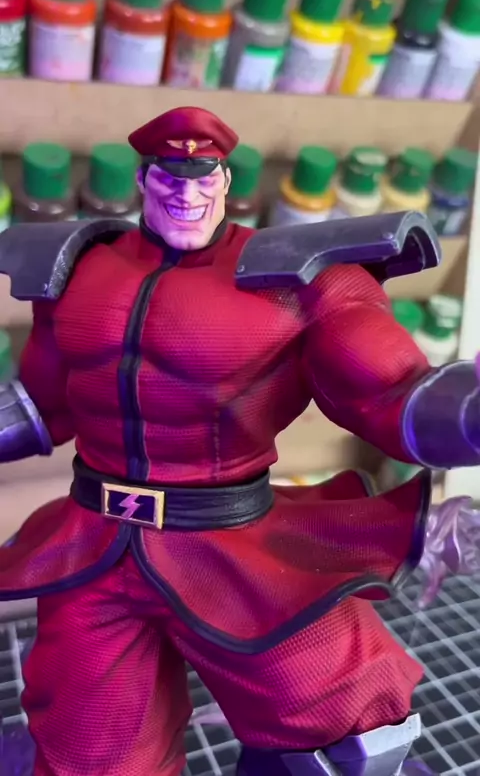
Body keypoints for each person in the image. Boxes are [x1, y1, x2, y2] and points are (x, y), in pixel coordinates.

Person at [0, 106, 479, 776]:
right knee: (87, 754)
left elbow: (393, 393)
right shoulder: (77, 269)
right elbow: (39, 404)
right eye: (171, 178)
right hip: (96, 549)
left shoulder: (301, 276)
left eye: (204, 178)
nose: (188, 194)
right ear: (143, 179)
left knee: (349, 727)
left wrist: (469, 410)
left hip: (234, 551)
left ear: (225, 181)